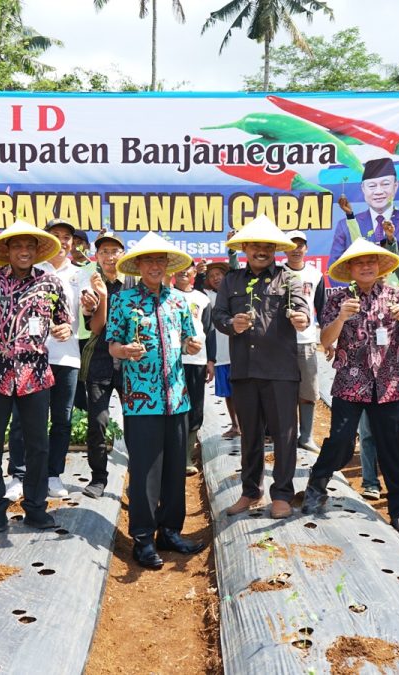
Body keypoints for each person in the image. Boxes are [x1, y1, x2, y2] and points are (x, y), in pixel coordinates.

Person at [302, 238, 399, 540]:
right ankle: (317, 484)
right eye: (359, 262)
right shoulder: (338, 299)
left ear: (381, 267)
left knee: (392, 448)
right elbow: (326, 342)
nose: (366, 266)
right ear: (351, 269)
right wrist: (342, 316)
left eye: (371, 262)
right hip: (350, 383)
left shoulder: (397, 296)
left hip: (389, 384)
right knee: (340, 442)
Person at [0, 221, 70, 534]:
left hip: (34, 376)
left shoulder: (50, 283)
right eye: (17, 246)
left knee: (38, 446)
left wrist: (64, 330)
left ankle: (36, 507)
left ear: (37, 251)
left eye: (29, 246)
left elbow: (64, 322)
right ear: (6, 250)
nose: (24, 251)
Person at [106, 232, 207, 569]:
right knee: (146, 469)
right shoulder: (123, 300)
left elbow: (190, 340)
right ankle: (143, 537)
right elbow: (112, 345)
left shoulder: (179, 301)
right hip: (141, 399)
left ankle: (170, 531)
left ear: (167, 265)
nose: (154, 265)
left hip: (176, 397)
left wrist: (192, 347)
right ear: (138, 265)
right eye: (147, 260)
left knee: (176, 468)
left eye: (159, 260)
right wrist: (124, 352)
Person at [213, 216, 311, 519]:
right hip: (243, 370)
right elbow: (218, 316)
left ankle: (281, 494)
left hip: (280, 371)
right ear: (244, 247)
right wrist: (232, 324)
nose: (261, 250)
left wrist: (301, 319)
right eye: (256, 244)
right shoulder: (231, 280)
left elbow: (303, 310)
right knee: (250, 434)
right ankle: (250, 492)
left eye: (268, 246)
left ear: (275, 250)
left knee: (284, 434)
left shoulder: (288, 279)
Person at [6, 219, 83, 500]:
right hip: (32, 357)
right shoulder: (32, 272)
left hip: (68, 356)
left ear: (73, 242)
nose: (62, 241)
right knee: (21, 418)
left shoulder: (82, 274)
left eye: (67, 236)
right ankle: (19, 474)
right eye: (55, 236)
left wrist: (92, 304)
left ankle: (53, 474)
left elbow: (87, 318)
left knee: (61, 419)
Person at [78, 231, 133, 498]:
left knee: (136, 423)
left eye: (114, 251)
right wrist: (100, 298)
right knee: (97, 422)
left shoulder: (134, 283)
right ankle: (98, 478)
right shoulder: (91, 287)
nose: (110, 257)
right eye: (104, 252)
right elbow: (97, 328)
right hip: (99, 361)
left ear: (123, 254)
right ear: (96, 256)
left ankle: (139, 476)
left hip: (130, 363)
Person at [330, 158, 399, 268]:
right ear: (363, 189)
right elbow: (335, 266)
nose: (378, 192)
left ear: (395, 186)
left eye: (385, 184)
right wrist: (358, 284)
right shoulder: (345, 225)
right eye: (372, 186)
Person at [283, 231, 325, 454]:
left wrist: (328, 340)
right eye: (292, 245)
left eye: (301, 245)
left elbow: (323, 308)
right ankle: (285, 436)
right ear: (284, 249)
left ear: (307, 249)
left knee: (308, 390)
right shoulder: (278, 273)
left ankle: (306, 436)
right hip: (280, 343)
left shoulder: (315, 275)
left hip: (307, 341)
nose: (296, 249)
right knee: (282, 391)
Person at [172, 260, 215, 475]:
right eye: (179, 268)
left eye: (187, 268)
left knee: (195, 408)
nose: (183, 272)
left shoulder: (202, 299)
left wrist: (211, 360)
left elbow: (209, 331)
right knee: (174, 406)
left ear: (194, 272)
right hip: (171, 362)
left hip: (197, 362)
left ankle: (187, 455)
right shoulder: (166, 295)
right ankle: (172, 454)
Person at [204, 261, 239, 439]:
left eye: (219, 274)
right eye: (211, 276)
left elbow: (237, 270)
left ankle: (250, 425)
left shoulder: (235, 294)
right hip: (220, 354)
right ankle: (235, 425)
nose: (215, 278)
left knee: (243, 392)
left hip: (238, 352)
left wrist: (232, 255)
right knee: (228, 393)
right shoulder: (207, 296)